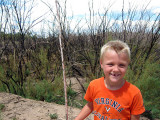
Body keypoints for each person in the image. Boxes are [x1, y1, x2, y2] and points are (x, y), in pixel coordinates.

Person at [74, 40, 145, 120]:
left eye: (121, 65)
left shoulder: (134, 93)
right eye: (110, 64)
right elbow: (90, 105)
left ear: (127, 65)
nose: (116, 69)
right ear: (101, 63)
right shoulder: (94, 85)